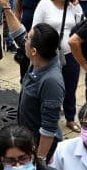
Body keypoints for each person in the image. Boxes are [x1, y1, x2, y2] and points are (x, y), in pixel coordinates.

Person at [31, 0, 84, 130]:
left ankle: (69, 118)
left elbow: (81, 26)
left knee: (70, 88)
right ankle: (43, 117)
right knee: (47, 87)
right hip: (48, 56)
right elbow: (35, 28)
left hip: (70, 54)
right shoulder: (45, 4)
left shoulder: (72, 6)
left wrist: (77, 5)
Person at [16, 23, 65, 161]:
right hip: (27, 140)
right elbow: (18, 34)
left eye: (27, 39)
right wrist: (7, 8)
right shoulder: (38, 61)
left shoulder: (51, 81)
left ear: (34, 51)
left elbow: (49, 128)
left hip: (40, 147)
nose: (24, 41)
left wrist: (40, 159)